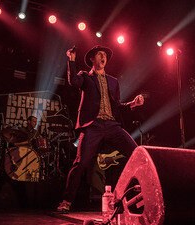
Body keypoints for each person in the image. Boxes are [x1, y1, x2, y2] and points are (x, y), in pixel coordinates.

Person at [56, 45, 144, 213]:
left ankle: (136, 197)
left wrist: (133, 104)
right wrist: (71, 61)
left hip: (111, 125)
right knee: (80, 163)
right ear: (92, 59)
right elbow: (73, 81)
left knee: (137, 154)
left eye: (105, 55)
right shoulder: (85, 77)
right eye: (99, 55)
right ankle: (66, 201)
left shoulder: (113, 81)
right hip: (93, 125)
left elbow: (117, 106)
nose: (103, 57)